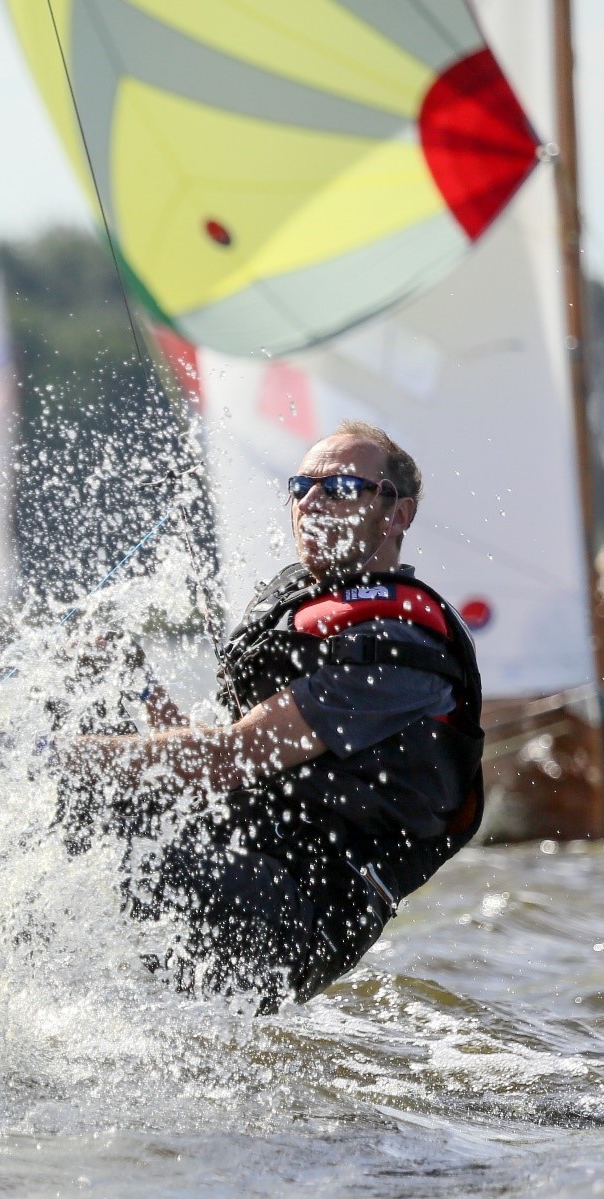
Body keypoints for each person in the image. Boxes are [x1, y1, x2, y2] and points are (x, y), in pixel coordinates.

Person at [59, 422, 484, 1012]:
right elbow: (199, 765)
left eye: (339, 487)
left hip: (287, 926)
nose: (311, 501)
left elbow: (230, 758)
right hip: (243, 859)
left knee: (76, 777)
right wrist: (132, 677)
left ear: (397, 514)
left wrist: (53, 763)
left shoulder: (397, 649)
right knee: (83, 682)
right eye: (302, 486)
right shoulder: (310, 615)